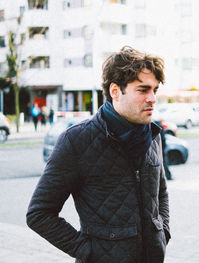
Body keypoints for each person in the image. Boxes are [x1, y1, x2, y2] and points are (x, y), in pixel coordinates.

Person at [26, 46, 170, 263]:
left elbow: (161, 194)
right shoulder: (76, 140)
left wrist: (163, 233)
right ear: (115, 91)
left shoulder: (152, 134)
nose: (152, 98)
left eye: (155, 90)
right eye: (143, 90)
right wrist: (89, 252)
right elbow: (39, 214)